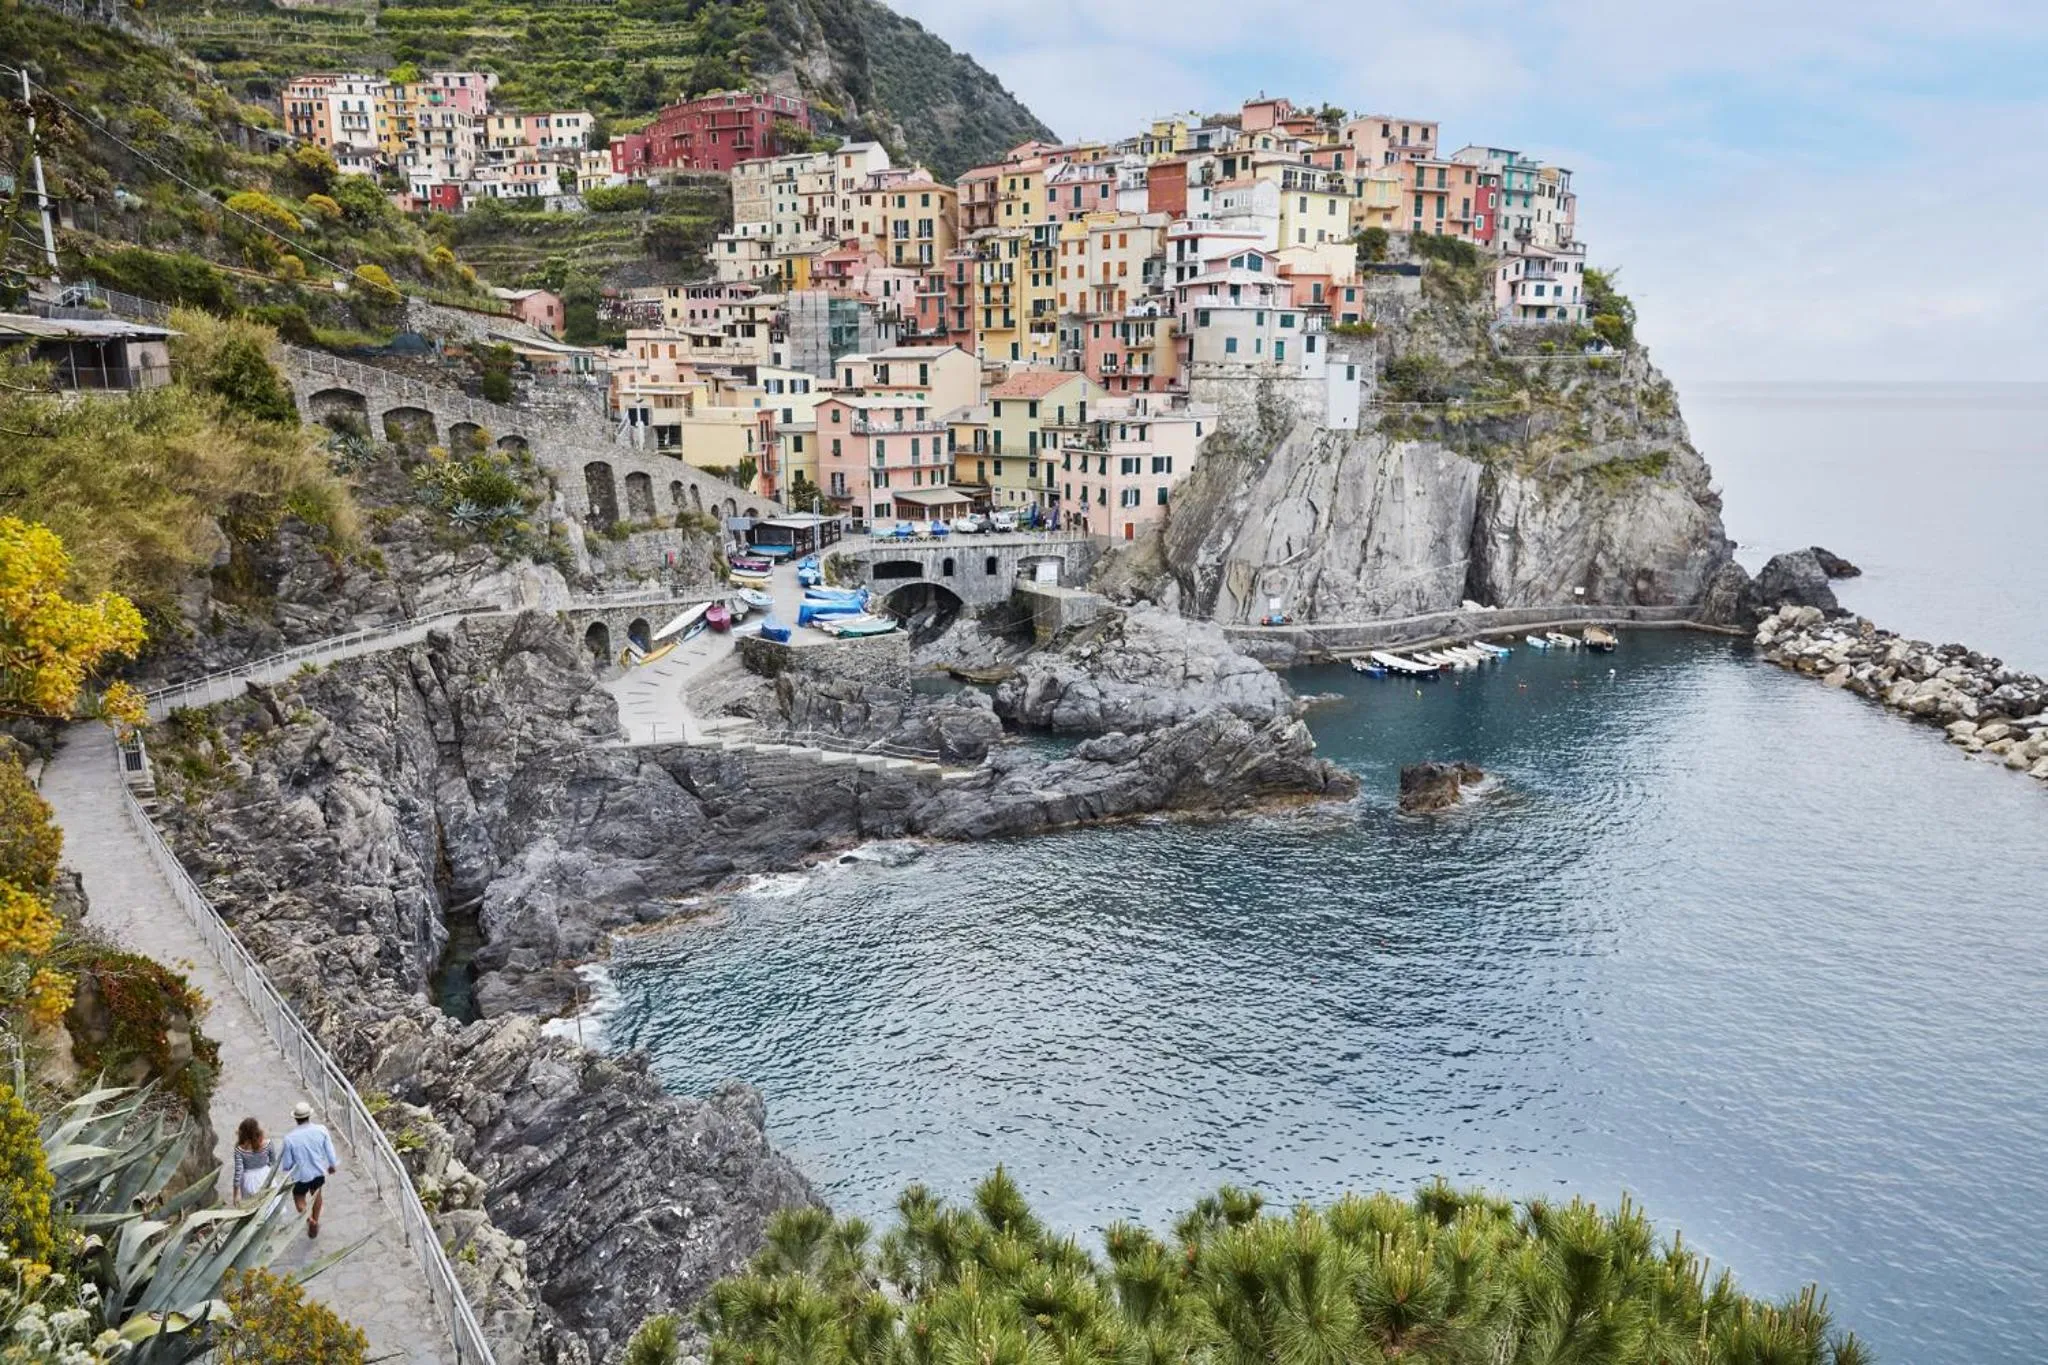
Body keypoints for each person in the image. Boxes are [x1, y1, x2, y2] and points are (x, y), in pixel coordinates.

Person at [277, 1100, 339, 1238]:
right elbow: (330, 1151)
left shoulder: (289, 1138)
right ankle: (315, 1219)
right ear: (309, 1115)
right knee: (317, 1194)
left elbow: (287, 1164)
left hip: (300, 1175)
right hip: (318, 1171)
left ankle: (308, 1220)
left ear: (295, 1118)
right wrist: (332, 1165)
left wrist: (289, 1167)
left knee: (299, 1197)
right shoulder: (321, 1130)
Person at [229, 1117, 277, 1205]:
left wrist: (236, 1194)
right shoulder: (268, 1144)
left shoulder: (240, 1149)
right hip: (266, 1175)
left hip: (249, 1180)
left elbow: (238, 1173)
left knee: (251, 1205)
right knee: (270, 1205)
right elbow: (273, 1162)